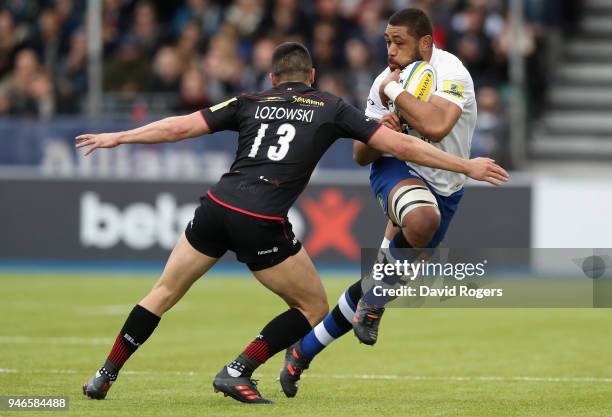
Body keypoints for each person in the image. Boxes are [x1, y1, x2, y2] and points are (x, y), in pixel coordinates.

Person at [78, 41, 507, 404]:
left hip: (215, 207)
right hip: (260, 220)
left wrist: (118, 137)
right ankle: (238, 369)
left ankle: (103, 375)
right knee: (313, 309)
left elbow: (179, 128)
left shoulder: (248, 101)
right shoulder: (329, 106)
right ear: (313, 75)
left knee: (163, 292)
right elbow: (400, 146)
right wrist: (463, 166)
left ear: (271, 78)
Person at [280, 8, 485, 397]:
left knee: (379, 281)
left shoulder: (452, 72)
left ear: (425, 42)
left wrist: (395, 95)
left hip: (447, 186)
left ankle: (302, 352)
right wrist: (380, 131)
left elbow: (437, 126)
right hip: (397, 169)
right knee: (422, 219)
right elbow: (361, 154)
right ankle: (372, 307)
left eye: (399, 42)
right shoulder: (383, 83)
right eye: (387, 41)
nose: (390, 49)